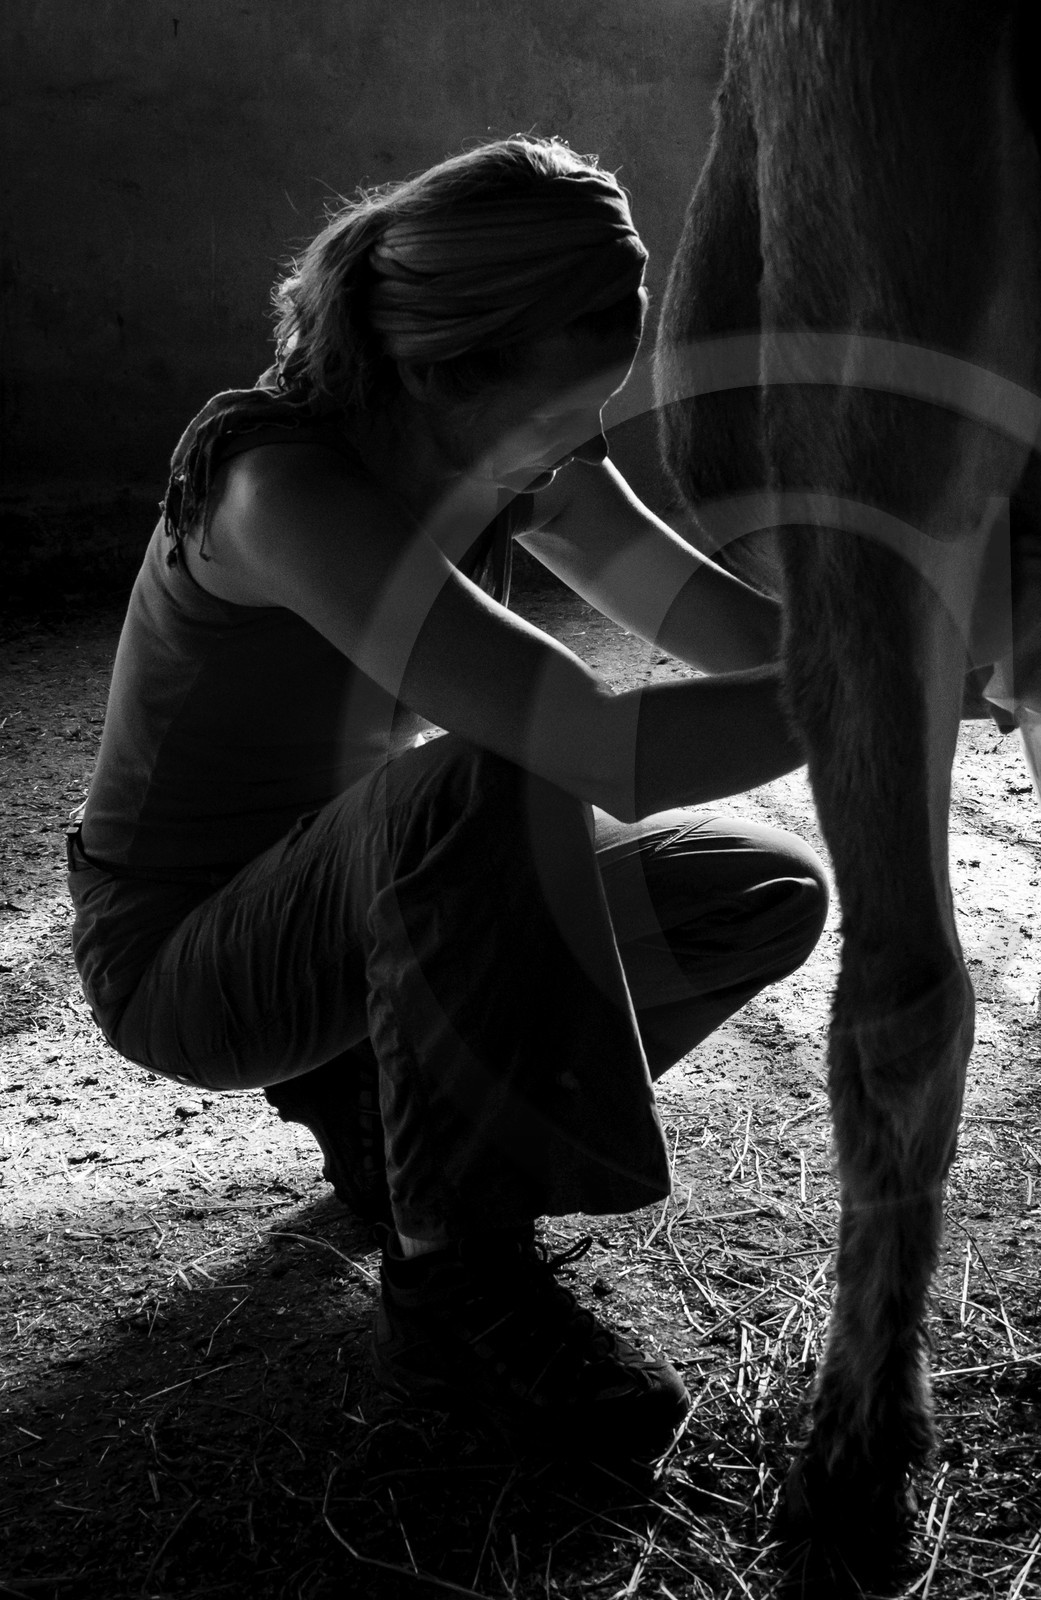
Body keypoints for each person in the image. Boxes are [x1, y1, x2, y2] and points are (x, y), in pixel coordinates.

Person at [65, 136, 830, 1464]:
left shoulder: (510, 461)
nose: (584, 447)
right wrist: (879, 689)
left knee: (764, 890)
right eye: (563, 409)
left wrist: (932, 640)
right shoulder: (279, 486)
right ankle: (459, 1279)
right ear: (444, 373)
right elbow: (599, 743)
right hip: (189, 957)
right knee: (500, 758)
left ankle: (388, 1119)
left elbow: (732, 636)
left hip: (373, 905)